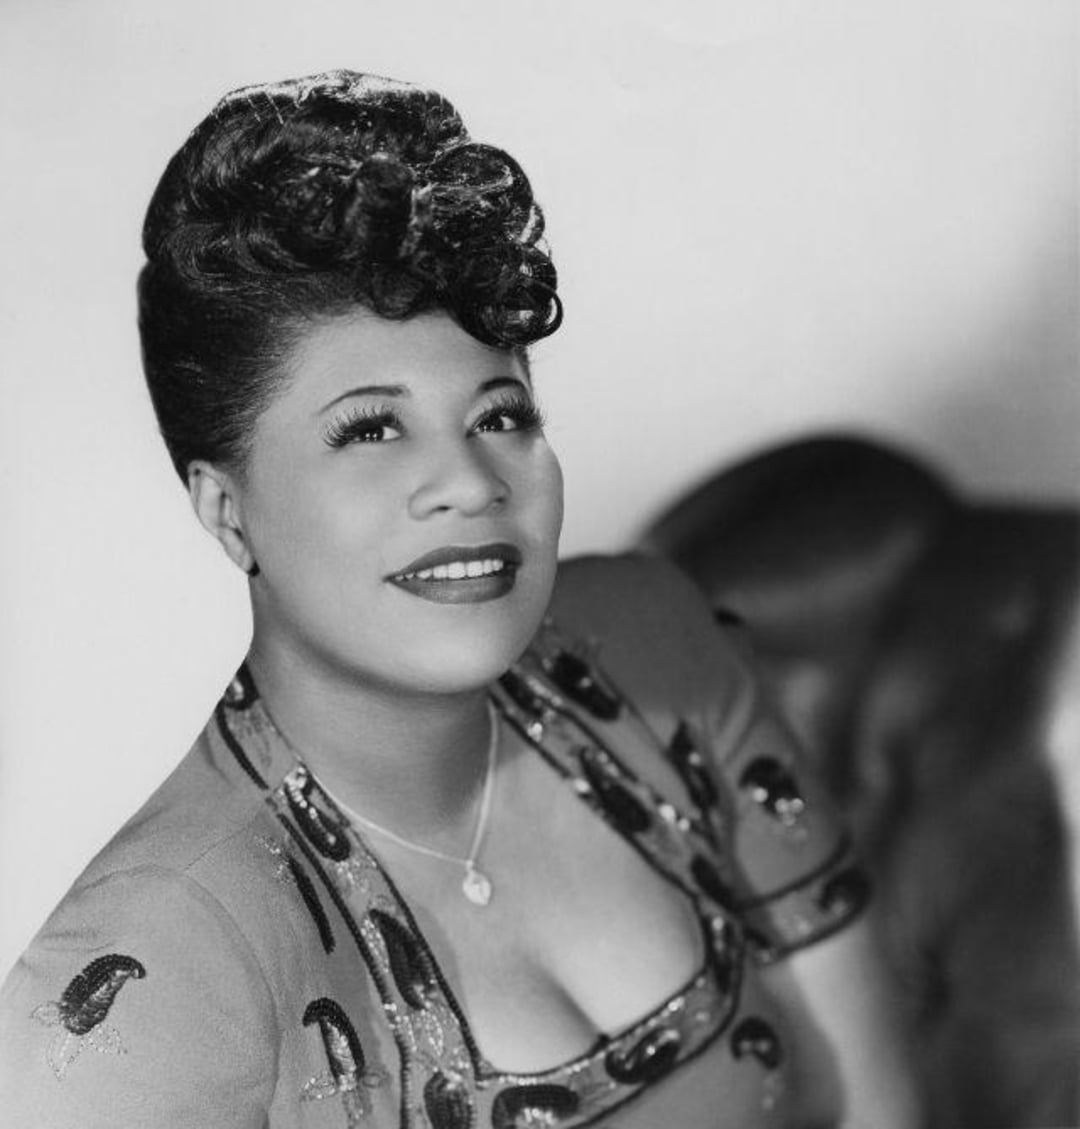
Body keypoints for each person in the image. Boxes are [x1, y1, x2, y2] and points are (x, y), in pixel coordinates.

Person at [0, 70, 918, 1128]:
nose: (474, 484)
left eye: (501, 414)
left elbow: (878, 1104)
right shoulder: (158, 965)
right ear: (226, 508)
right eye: (372, 429)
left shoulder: (651, 646)